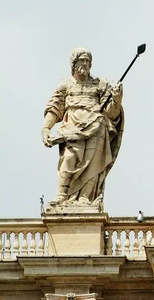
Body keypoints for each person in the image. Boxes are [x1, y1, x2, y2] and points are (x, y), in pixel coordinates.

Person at [41, 48, 124, 206]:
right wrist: (45, 129)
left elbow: (111, 113)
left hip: (96, 128)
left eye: (87, 61)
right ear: (73, 63)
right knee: (70, 158)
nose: (85, 64)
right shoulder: (65, 85)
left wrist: (117, 101)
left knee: (93, 163)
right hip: (72, 128)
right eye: (82, 60)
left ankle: (86, 198)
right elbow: (54, 109)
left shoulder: (100, 84)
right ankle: (62, 195)